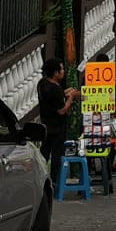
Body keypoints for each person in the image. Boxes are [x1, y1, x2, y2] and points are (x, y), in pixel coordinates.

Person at [36, 58, 77, 189]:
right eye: (61, 69)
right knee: (57, 154)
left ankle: (39, 177)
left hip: (46, 123)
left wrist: (65, 93)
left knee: (44, 151)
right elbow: (61, 110)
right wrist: (71, 98)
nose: (63, 71)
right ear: (55, 73)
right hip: (57, 126)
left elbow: (53, 100)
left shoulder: (42, 83)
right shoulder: (55, 89)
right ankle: (54, 181)